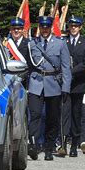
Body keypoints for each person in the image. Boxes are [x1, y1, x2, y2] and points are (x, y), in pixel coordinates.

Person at [28, 16, 72, 161]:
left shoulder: (60, 44)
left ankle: (49, 147)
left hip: (54, 84)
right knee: (35, 115)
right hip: (36, 83)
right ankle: (33, 144)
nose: (45, 30)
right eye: (42, 27)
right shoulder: (32, 44)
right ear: (39, 27)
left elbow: (66, 67)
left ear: (51, 28)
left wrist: (66, 87)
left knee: (52, 118)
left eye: (47, 27)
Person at [64, 16, 85, 157]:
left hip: (77, 84)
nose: (73, 28)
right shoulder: (63, 41)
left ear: (80, 27)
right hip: (63, 84)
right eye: (71, 26)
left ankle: (74, 145)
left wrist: (71, 71)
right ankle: (63, 143)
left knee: (76, 115)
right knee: (64, 114)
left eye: (76, 26)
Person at [5, 17, 31, 85]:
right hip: (8, 80)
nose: (16, 30)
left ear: (22, 30)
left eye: (19, 28)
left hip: (24, 81)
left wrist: (21, 77)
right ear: (10, 30)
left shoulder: (29, 43)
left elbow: (30, 64)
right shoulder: (5, 44)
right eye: (14, 28)